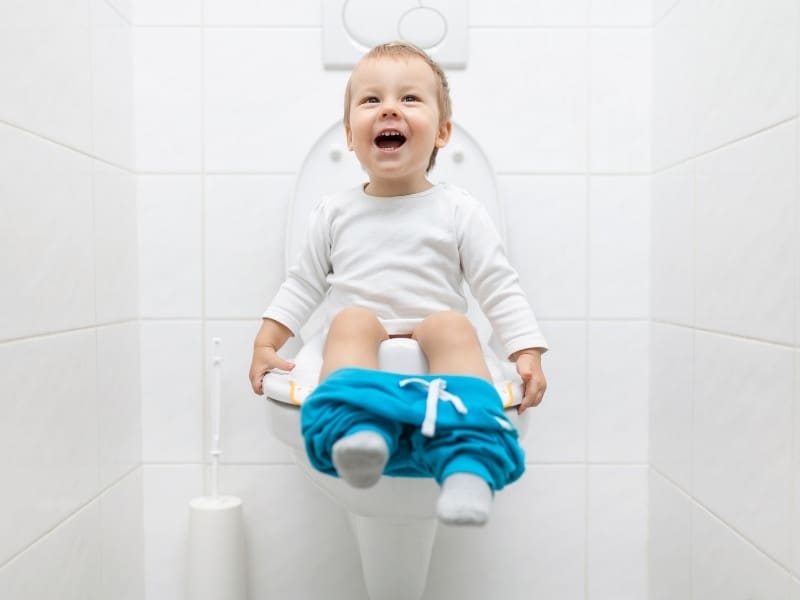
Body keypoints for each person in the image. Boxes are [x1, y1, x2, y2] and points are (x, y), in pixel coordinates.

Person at [249, 41, 548, 525]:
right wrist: (268, 340)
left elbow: (497, 283)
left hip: (435, 343)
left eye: (410, 98)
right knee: (350, 320)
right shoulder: (334, 212)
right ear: (350, 135)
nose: (389, 107)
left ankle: (468, 464)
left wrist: (525, 350)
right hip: (360, 339)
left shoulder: (459, 210)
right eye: (371, 100)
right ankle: (360, 432)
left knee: (454, 325)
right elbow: (303, 284)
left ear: (442, 132)